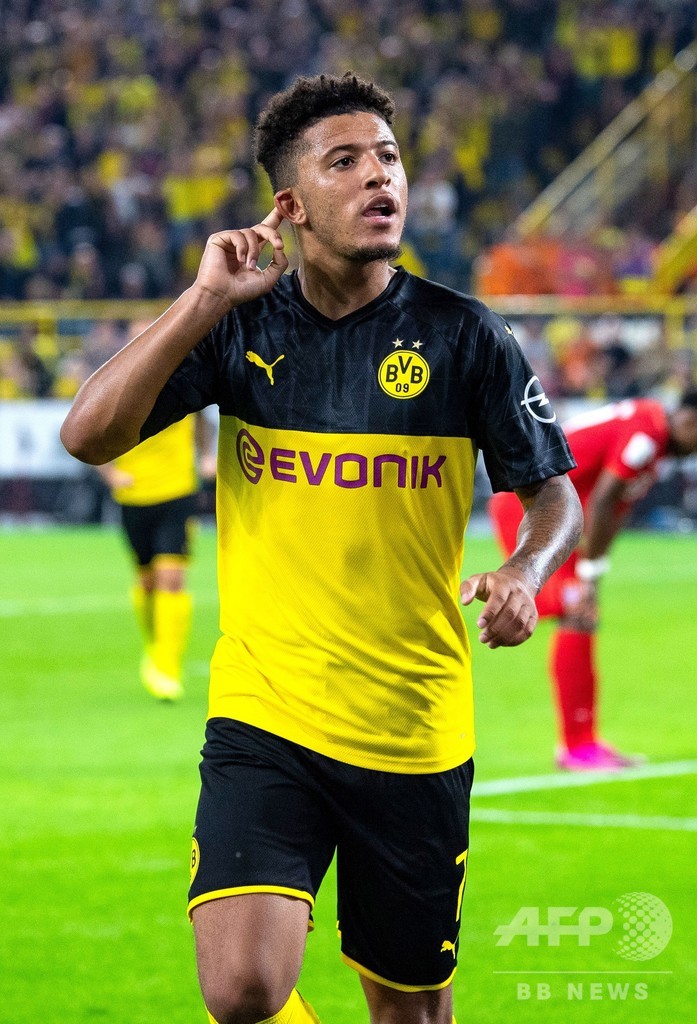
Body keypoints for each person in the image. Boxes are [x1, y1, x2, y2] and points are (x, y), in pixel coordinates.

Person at [61, 73, 582, 1024]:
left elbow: (552, 490)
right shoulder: (238, 328)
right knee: (242, 988)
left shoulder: (465, 336)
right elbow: (88, 435)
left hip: (413, 725)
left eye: (388, 157)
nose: (380, 176)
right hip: (267, 711)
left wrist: (523, 569)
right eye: (345, 162)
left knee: (409, 1010)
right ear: (290, 206)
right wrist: (203, 298)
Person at [489, 392, 697, 772]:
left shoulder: (650, 433)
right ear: (689, 422)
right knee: (575, 610)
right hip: (528, 508)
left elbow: (613, 509)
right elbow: (603, 501)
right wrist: (589, 576)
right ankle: (578, 747)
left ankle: (582, 744)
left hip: (550, 513)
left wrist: (593, 573)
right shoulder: (647, 434)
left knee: (580, 613)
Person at [95, 384, 216, 700]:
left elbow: (202, 420)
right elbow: (91, 431)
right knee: (147, 582)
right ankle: (156, 647)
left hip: (178, 492)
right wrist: (111, 475)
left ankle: (167, 666)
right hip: (134, 495)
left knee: (172, 578)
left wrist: (206, 456)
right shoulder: (123, 386)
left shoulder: (184, 382)